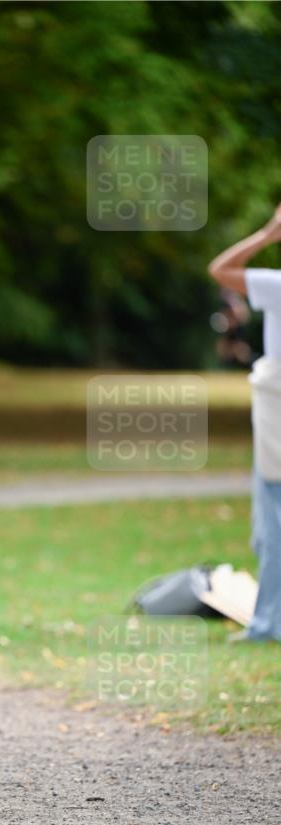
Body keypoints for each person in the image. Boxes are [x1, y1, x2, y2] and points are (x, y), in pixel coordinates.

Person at [207, 203, 281, 642]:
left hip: (276, 418)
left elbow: (220, 270)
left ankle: (270, 622)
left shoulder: (276, 285)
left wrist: (268, 234)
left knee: (271, 523)